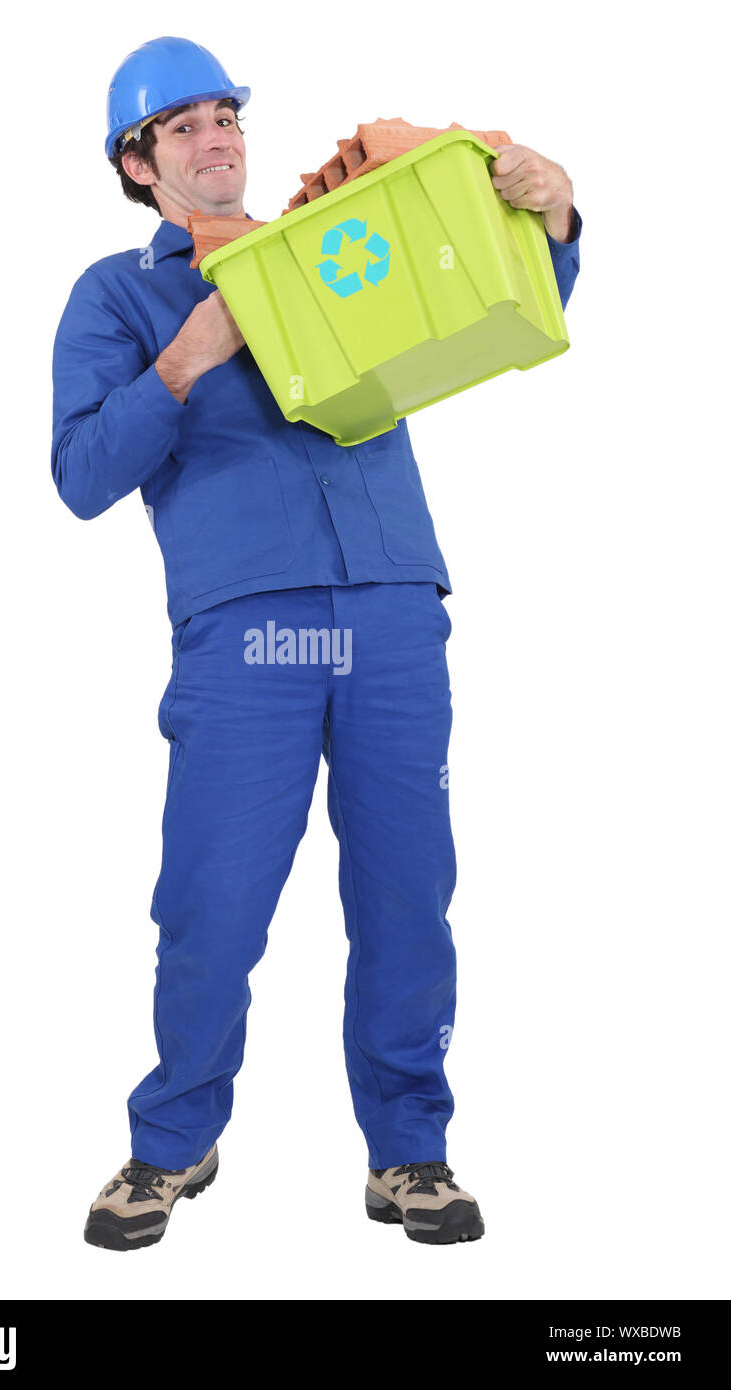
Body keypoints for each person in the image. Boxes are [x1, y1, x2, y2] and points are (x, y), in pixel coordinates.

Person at [51, 35, 582, 1250]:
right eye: (179, 126)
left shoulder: (334, 248)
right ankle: (171, 1143)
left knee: (408, 891)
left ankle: (410, 1152)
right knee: (214, 899)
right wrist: (186, 360)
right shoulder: (117, 296)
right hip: (250, 632)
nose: (215, 136)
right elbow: (81, 474)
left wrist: (552, 218)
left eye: (224, 113)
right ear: (137, 166)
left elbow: (485, 302)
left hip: (395, 609)